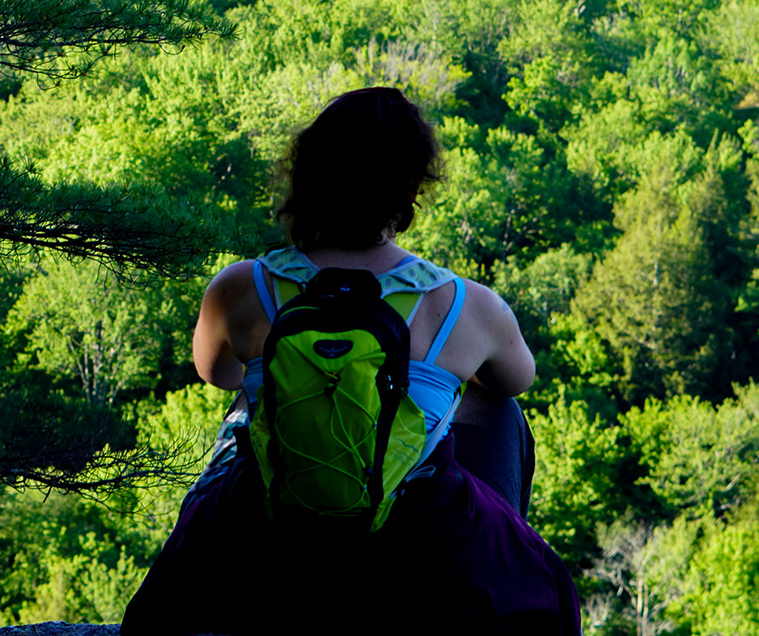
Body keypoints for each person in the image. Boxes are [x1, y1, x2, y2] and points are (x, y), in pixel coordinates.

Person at [120, 87, 580, 634]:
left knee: (249, 401)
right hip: (416, 545)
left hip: (266, 536)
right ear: (409, 187)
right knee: (498, 410)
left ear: (310, 176)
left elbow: (215, 372)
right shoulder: (466, 305)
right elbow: (516, 379)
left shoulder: (243, 288)